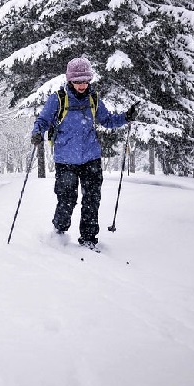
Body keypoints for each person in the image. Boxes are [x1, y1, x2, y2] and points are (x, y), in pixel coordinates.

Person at [31, 57, 138, 249]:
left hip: (91, 157)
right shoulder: (58, 98)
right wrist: (37, 132)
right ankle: (59, 232)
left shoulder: (93, 99)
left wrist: (125, 117)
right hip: (66, 159)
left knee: (91, 200)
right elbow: (43, 120)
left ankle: (88, 239)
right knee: (67, 199)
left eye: (85, 81)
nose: (82, 85)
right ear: (70, 80)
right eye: (78, 81)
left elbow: (107, 120)